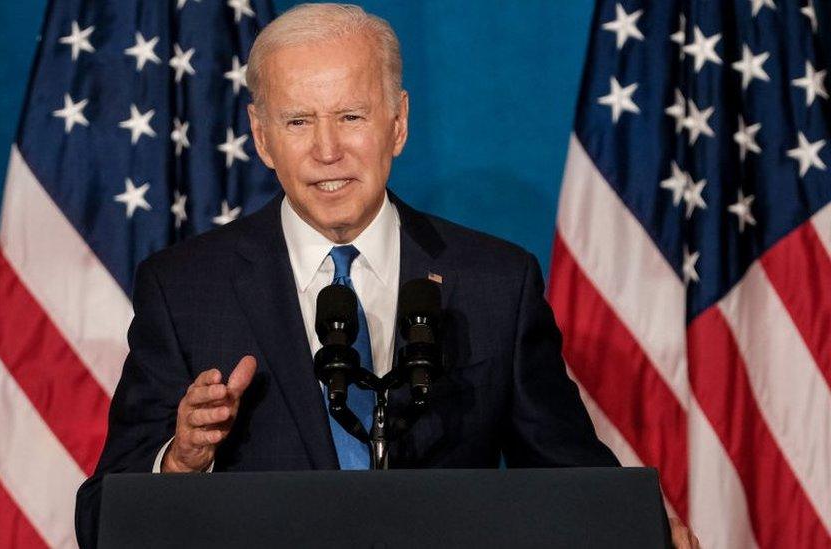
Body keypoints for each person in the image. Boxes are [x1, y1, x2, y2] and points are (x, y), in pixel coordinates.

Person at [75, 4, 698, 548]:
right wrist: (180, 464)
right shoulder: (185, 289)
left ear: (397, 122)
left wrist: (639, 529)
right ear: (262, 139)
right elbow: (101, 516)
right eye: (298, 122)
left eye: (351, 116)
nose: (327, 150)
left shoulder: (495, 283)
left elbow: (571, 477)